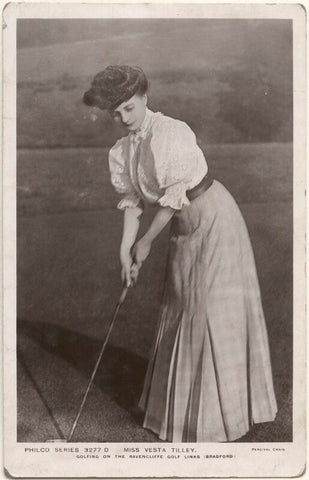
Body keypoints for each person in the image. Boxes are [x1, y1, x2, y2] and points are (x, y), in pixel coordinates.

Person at [83, 65, 278, 442]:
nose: (123, 118)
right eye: (115, 113)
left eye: (128, 108)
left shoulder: (169, 132)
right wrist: (126, 249)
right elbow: (134, 201)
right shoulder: (123, 150)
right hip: (183, 229)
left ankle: (226, 417)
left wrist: (147, 242)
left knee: (206, 312)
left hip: (214, 218)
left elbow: (175, 197)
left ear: (144, 99)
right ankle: (185, 415)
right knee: (181, 308)